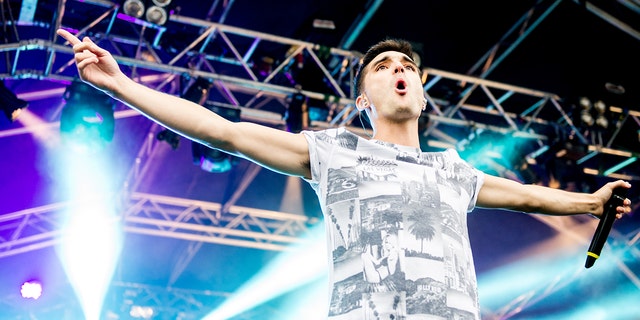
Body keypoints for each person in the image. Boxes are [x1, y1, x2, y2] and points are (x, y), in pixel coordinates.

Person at [57, 30, 632, 319]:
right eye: (384, 68)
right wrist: (121, 86)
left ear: (425, 97)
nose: (400, 72)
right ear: (363, 100)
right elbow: (224, 133)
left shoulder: (453, 171)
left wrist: (589, 203)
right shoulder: (333, 152)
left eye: (409, 67)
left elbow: (528, 196)